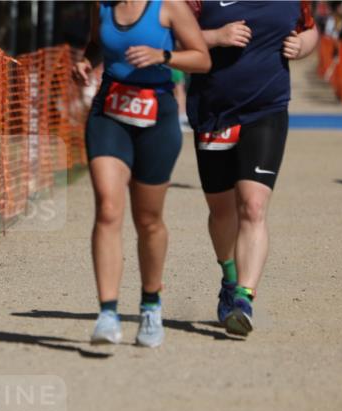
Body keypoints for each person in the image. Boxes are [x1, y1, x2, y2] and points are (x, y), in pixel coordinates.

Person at [72, 1, 209, 347]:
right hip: (110, 110)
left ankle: (150, 304)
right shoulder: (99, 5)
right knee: (107, 208)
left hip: (156, 115)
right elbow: (96, 42)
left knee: (148, 220)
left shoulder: (168, 7)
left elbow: (202, 58)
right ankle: (107, 313)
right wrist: (86, 61)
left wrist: (163, 56)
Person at [186, 0, 319, 336]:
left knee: (253, 205)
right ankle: (229, 279)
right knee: (221, 210)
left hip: (267, 108)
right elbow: (170, 39)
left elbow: (311, 29)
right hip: (213, 111)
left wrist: (302, 45)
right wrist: (215, 36)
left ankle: (244, 298)